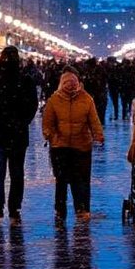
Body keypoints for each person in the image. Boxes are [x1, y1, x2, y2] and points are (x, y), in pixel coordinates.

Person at [0, 46, 39, 220]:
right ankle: (13, 206)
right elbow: (32, 105)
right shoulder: (23, 79)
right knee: (14, 172)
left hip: (2, 132)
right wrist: (22, 120)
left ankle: (0, 205)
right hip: (13, 133)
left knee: (1, 172)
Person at [43, 70, 104, 221]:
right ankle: (60, 210)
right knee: (61, 180)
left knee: (80, 179)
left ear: (78, 83)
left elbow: (94, 120)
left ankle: (82, 208)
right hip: (60, 146)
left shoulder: (86, 99)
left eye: (73, 83)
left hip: (81, 145)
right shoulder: (54, 100)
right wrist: (49, 134)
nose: (70, 86)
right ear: (62, 84)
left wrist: (98, 134)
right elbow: (48, 121)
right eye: (67, 83)